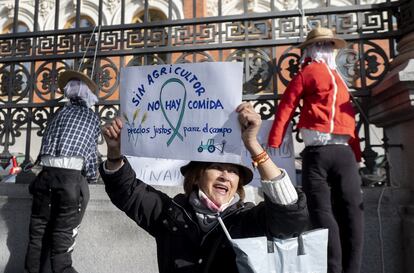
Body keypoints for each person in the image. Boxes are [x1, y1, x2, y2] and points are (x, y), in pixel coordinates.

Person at [100, 102, 309, 273]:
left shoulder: (247, 219)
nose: (226, 176)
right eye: (217, 168)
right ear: (197, 176)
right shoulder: (170, 213)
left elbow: (290, 216)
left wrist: (253, 145)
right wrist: (115, 153)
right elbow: (127, 191)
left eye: (234, 171)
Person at [267, 27, 364, 273]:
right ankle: (348, 268)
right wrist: (357, 152)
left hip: (321, 153)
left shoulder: (309, 73)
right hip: (340, 153)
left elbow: (286, 107)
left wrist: (275, 141)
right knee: (350, 211)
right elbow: (349, 117)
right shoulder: (337, 79)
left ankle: (337, 269)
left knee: (325, 213)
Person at [25, 70, 101, 273]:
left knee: (37, 236)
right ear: (89, 95)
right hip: (69, 181)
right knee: (61, 243)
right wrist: (93, 176)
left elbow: (43, 149)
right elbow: (90, 154)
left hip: (46, 177)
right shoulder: (91, 117)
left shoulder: (58, 114)